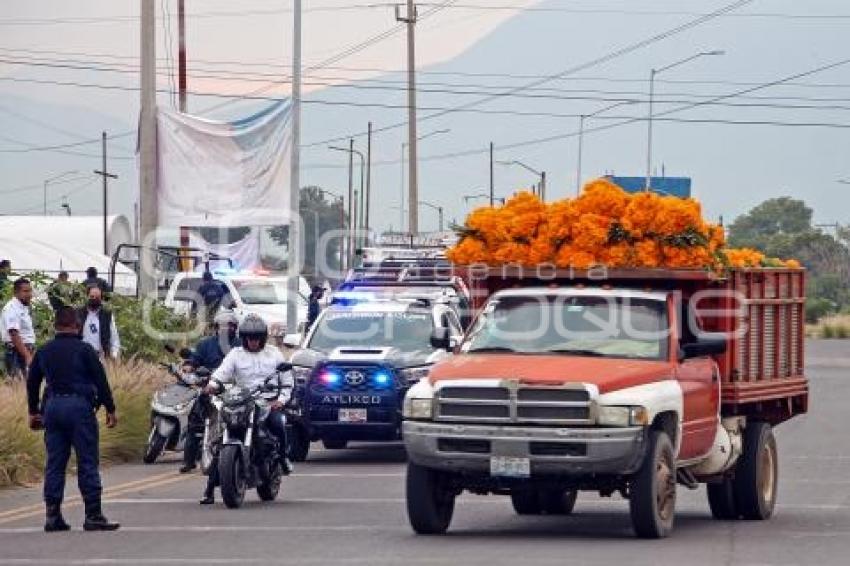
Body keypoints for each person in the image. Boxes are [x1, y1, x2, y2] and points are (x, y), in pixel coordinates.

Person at [26, 306, 120, 532]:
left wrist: (34, 411)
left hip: (53, 408)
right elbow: (100, 380)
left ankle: (52, 515)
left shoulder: (44, 350)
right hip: (79, 408)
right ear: (77, 326)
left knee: (55, 464)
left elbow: (32, 381)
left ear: (55, 326)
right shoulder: (85, 350)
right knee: (87, 461)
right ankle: (93, 515)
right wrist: (110, 408)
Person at [199, 314, 293, 504]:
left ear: (263, 338)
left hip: (268, 401)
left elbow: (287, 381)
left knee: (278, 424)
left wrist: (281, 400)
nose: (253, 342)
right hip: (242, 400)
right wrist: (212, 384)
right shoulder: (235, 354)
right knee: (221, 437)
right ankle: (209, 488)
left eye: (257, 338)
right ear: (243, 338)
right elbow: (222, 373)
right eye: (250, 338)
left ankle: (282, 459)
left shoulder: (274, 353)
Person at [178, 310, 240, 474]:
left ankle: (235, 455)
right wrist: (189, 365)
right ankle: (189, 460)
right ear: (216, 328)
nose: (226, 329)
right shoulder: (205, 344)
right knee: (195, 419)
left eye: (230, 326)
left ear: (235, 328)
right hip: (209, 388)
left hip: (233, 391)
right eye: (222, 326)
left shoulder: (240, 346)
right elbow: (195, 359)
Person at [1, 278, 36, 379]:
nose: (29, 294)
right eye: (25, 291)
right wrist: (27, 356)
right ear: (16, 292)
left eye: (30, 291)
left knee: (26, 384)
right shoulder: (12, 308)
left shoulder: (22, 307)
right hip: (16, 352)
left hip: (24, 350)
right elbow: (14, 334)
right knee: (18, 385)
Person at [77, 286, 121, 360]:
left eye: (97, 297)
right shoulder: (78, 313)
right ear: (87, 296)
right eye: (92, 296)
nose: (94, 299)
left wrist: (114, 354)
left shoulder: (107, 315)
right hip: (81, 356)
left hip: (100, 357)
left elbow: (114, 337)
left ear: (101, 299)